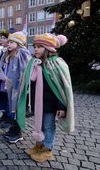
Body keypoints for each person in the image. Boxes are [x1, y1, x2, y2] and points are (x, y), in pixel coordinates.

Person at [17, 33, 74, 163]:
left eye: (39, 47)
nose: (35, 49)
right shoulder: (34, 63)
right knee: (39, 125)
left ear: (48, 49)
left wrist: (61, 106)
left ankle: (48, 149)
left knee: (48, 126)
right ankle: (39, 146)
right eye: (34, 46)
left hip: (51, 106)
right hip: (38, 104)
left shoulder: (56, 64)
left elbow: (62, 88)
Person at [2, 31, 31, 143]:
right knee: (12, 107)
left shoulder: (22, 53)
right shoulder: (13, 53)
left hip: (19, 86)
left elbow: (24, 70)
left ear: (19, 44)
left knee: (18, 107)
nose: (9, 44)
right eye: (8, 41)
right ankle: (13, 128)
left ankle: (18, 132)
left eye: (12, 42)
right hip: (11, 85)